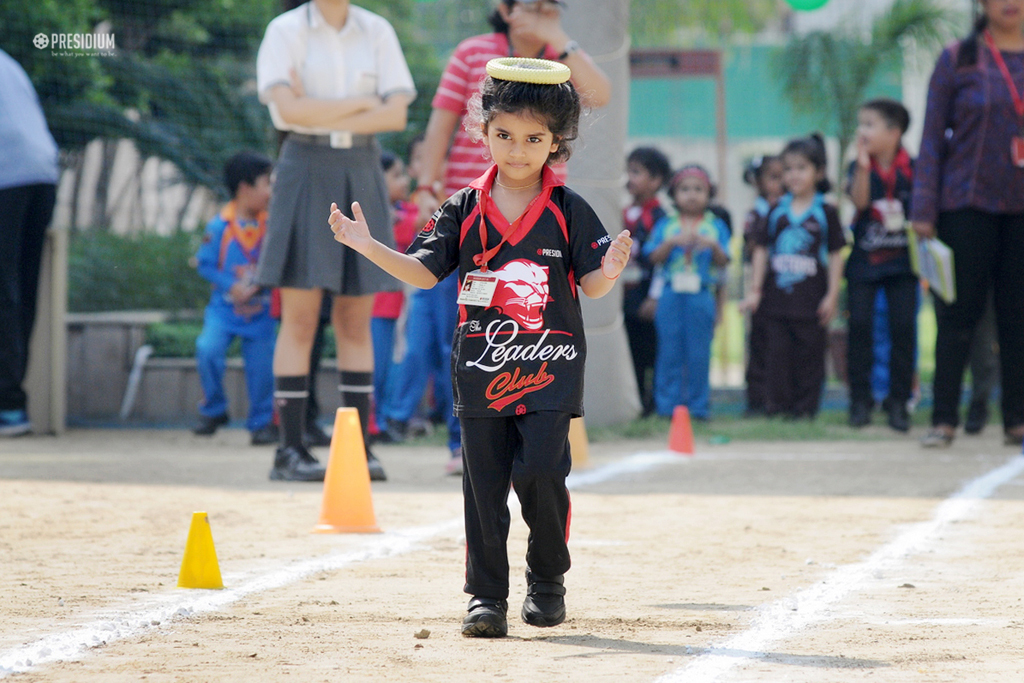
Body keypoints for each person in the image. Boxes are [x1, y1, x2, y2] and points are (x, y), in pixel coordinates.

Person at [329, 57, 632, 638]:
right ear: (484, 130)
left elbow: (591, 285)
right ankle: (486, 597)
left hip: (550, 371)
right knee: (483, 486)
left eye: (534, 139)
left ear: (557, 142)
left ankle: (547, 584)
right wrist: (367, 246)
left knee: (543, 472)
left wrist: (611, 269)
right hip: (480, 374)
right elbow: (422, 273)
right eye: (504, 136)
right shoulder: (461, 209)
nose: (517, 150)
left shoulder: (570, 211)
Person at [255, 0, 416, 481]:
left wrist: (318, 110)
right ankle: (290, 451)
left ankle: (358, 451)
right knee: (300, 317)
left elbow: (396, 118)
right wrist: (365, 103)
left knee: (354, 317)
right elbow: (286, 111)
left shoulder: (377, 30)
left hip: (361, 168)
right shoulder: (285, 30)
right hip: (303, 165)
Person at [912, 1, 1024, 447]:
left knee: (1018, 316)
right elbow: (932, 135)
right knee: (959, 315)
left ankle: (1016, 420)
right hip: (966, 204)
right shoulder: (958, 57)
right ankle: (943, 419)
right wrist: (923, 207)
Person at [744, 134, 846, 419]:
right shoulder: (776, 210)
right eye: (788, 169)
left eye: (801, 168)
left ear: (819, 172)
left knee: (810, 357)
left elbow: (836, 253)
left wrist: (832, 295)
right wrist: (755, 289)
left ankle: (805, 409)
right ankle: (778, 408)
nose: (793, 175)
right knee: (777, 356)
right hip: (776, 302)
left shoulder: (826, 211)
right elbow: (762, 249)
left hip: (811, 301)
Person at [193, 152, 277, 444]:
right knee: (207, 350)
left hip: (261, 313)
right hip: (224, 312)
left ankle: (261, 423)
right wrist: (230, 285)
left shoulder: (271, 226)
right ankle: (214, 409)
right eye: (267, 183)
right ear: (245, 188)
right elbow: (204, 265)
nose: (271, 192)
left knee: (263, 368)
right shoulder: (219, 227)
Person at [845, 99, 918, 433]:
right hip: (864, 262)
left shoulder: (914, 169)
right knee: (859, 328)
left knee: (903, 330)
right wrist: (861, 167)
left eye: (870, 124)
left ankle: (898, 402)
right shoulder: (858, 167)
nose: (863, 131)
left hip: (903, 264)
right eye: (861, 124)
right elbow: (859, 203)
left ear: (895, 131)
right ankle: (860, 401)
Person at [0, 49, 59, 437]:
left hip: (7, 175)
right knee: (22, 284)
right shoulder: (9, 62)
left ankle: (7, 404)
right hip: (42, 173)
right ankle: (13, 405)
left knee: (4, 288)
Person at [643, 165, 730, 420]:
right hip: (671, 294)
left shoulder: (716, 227)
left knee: (699, 353)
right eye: (685, 189)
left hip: (701, 294)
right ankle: (667, 407)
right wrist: (671, 243)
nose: (692, 195)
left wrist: (713, 246)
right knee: (669, 351)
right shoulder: (666, 225)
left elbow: (725, 262)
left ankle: (698, 407)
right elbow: (653, 257)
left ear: (709, 193)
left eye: (698, 189)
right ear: (674, 194)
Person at [371, 150, 421, 442]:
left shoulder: (404, 212)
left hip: (395, 307)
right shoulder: (374, 218)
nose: (404, 181)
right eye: (397, 175)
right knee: (374, 368)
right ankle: (371, 423)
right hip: (374, 307)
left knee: (390, 368)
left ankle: (382, 421)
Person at [621, 147, 671, 417]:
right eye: (628, 170)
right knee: (630, 351)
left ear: (656, 180)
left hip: (648, 296)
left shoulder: (659, 218)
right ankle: (636, 401)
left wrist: (654, 296)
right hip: (625, 296)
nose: (629, 178)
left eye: (636, 172)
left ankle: (653, 404)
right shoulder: (622, 213)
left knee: (650, 351)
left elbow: (663, 263)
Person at [741, 154, 785, 417]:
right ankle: (756, 399)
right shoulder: (757, 211)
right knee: (758, 339)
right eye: (773, 177)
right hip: (757, 279)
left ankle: (776, 397)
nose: (781, 182)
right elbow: (752, 245)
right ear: (758, 182)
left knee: (778, 342)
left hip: (783, 280)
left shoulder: (789, 207)